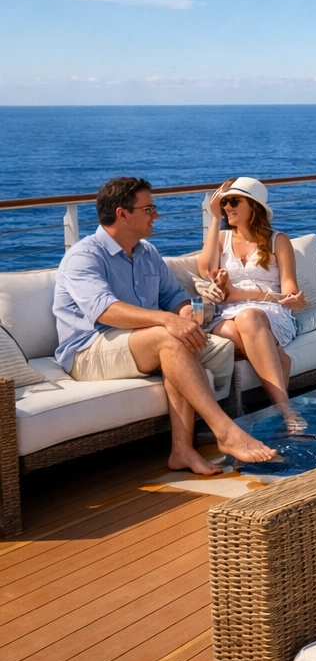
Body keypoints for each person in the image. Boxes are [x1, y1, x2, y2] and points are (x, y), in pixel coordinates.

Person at [52, 177, 276, 473]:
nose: (156, 215)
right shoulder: (84, 256)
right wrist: (168, 320)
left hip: (140, 342)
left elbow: (175, 296)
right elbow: (105, 311)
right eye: (148, 209)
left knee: (179, 339)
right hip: (89, 351)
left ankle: (182, 451)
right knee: (168, 337)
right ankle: (227, 432)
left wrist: (185, 315)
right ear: (122, 214)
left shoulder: (147, 253)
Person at [198, 177, 308, 435]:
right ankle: (286, 409)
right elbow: (206, 270)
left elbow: (289, 286)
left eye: (233, 201)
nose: (227, 208)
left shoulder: (277, 240)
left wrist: (295, 298)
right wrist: (213, 219)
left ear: (254, 205)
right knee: (237, 327)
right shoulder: (222, 238)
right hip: (226, 314)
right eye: (224, 203)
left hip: (270, 312)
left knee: (249, 317)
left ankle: (283, 412)